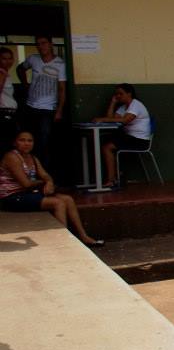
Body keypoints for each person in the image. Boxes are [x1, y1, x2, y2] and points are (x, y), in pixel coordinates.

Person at [0, 130, 103, 246]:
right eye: (22, 140)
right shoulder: (12, 157)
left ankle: (83, 236)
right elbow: (26, 184)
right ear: (15, 143)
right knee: (57, 203)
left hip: (26, 194)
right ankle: (64, 240)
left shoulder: (32, 158)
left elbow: (45, 174)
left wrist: (49, 181)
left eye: (30, 141)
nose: (26, 143)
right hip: (12, 197)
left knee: (68, 199)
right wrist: (44, 182)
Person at [16, 36, 66, 168]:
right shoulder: (33, 59)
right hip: (30, 105)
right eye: (38, 44)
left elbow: (62, 89)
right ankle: (28, 169)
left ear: (51, 44)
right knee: (28, 140)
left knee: (44, 140)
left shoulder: (60, 64)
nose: (40, 46)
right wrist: (25, 84)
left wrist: (59, 110)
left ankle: (42, 170)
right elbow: (20, 68)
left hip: (48, 108)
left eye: (43, 43)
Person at [93, 83, 152, 188]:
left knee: (107, 147)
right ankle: (115, 178)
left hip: (139, 140)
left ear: (129, 94)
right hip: (130, 137)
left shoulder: (136, 104)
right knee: (106, 141)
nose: (118, 96)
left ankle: (111, 180)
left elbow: (125, 120)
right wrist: (112, 103)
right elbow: (111, 119)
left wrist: (102, 119)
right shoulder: (123, 107)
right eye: (116, 94)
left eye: (121, 94)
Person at [0, 46, 17, 152]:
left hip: (9, 113)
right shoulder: (1, 73)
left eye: (10, 58)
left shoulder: (6, 73)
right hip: (3, 114)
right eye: (4, 58)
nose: (8, 61)